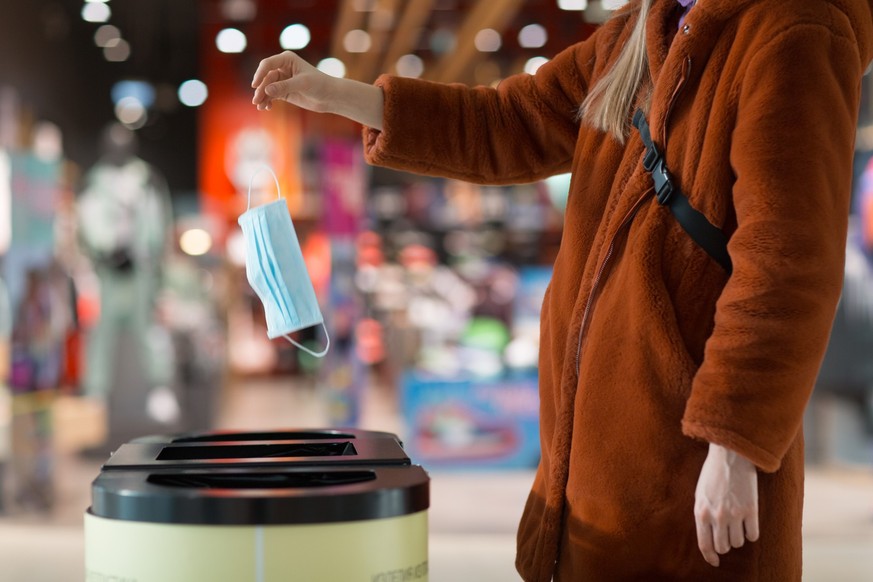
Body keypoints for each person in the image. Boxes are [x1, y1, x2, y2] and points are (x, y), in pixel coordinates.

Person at [251, 0, 873, 579]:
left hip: (688, 467)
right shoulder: (642, 29)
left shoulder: (794, 31)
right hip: (601, 468)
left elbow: (786, 265)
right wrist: (334, 93)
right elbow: (508, 121)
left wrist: (734, 444)